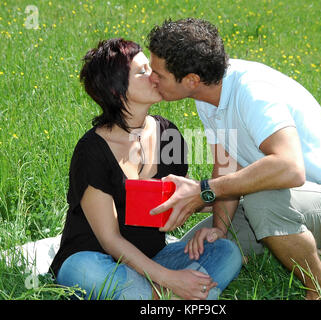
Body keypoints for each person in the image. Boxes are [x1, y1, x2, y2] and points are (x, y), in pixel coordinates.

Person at [147, 18, 321, 300]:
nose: (151, 79)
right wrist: (219, 230)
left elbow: (290, 169)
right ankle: (294, 241)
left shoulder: (252, 91)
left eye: (158, 74)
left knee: (263, 201)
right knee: (195, 248)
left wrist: (204, 190)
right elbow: (226, 167)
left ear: (191, 80)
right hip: (283, 201)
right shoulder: (207, 96)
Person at [48, 38, 242, 300]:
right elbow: (110, 240)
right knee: (82, 270)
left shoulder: (167, 133)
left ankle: (157, 295)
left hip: (154, 259)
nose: (155, 76)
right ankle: (173, 295)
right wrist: (171, 279)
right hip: (99, 261)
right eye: (142, 72)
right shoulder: (92, 150)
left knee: (225, 250)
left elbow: (183, 197)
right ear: (117, 90)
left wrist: (223, 193)